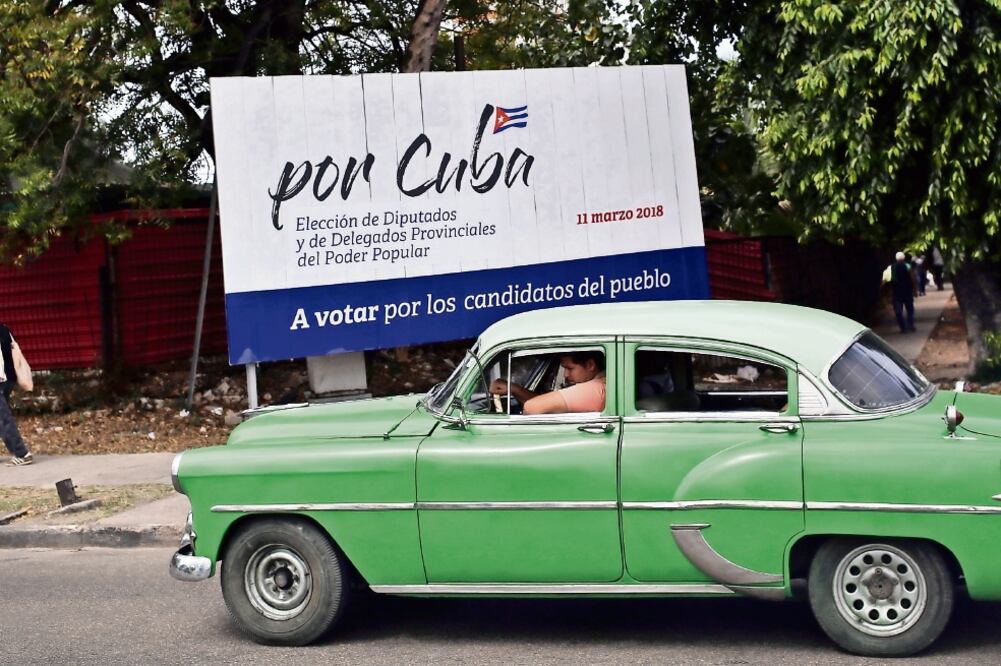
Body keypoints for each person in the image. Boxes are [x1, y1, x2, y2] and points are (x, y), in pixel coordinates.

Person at [489, 351, 605, 415]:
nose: (565, 375)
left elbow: (532, 407)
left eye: (570, 368)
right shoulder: (601, 385)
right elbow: (548, 404)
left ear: (590, 365)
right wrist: (513, 388)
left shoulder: (597, 388)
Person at [0, 323, 33, 466]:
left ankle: (22, 453)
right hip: (8, 378)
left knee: (3, 418)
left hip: (1, 378)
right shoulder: (4, 329)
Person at [890, 251, 916, 333]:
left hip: (896, 292)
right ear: (904, 258)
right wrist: (915, 289)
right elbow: (912, 278)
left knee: (898, 311)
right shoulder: (907, 266)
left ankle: (903, 327)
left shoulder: (891, 267)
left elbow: (886, 280)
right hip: (907, 291)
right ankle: (910, 325)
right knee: (910, 309)